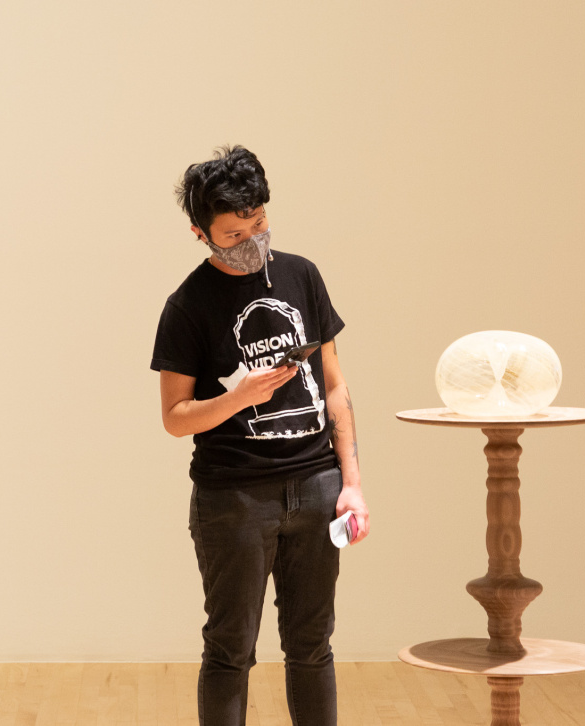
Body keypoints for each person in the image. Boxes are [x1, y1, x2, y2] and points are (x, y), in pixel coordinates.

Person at [150, 146, 370, 725]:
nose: (251, 240)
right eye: (233, 233)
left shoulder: (302, 275)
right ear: (201, 233)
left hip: (318, 487)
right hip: (235, 500)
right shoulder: (187, 305)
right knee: (230, 651)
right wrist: (237, 397)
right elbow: (175, 417)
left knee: (312, 646)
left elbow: (337, 388)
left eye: (259, 224)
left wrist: (352, 483)